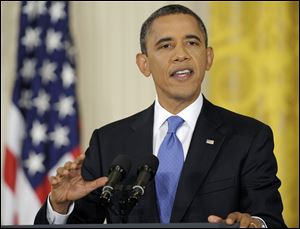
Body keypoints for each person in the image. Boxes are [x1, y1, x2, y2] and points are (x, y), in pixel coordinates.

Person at [34, 4, 286, 228]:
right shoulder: (109, 141)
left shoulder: (248, 137)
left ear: (208, 57)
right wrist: (59, 207)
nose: (181, 54)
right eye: (166, 45)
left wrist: (255, 225)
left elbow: (270, 218)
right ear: (144, 64)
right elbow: (82, 222)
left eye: (192, 42)